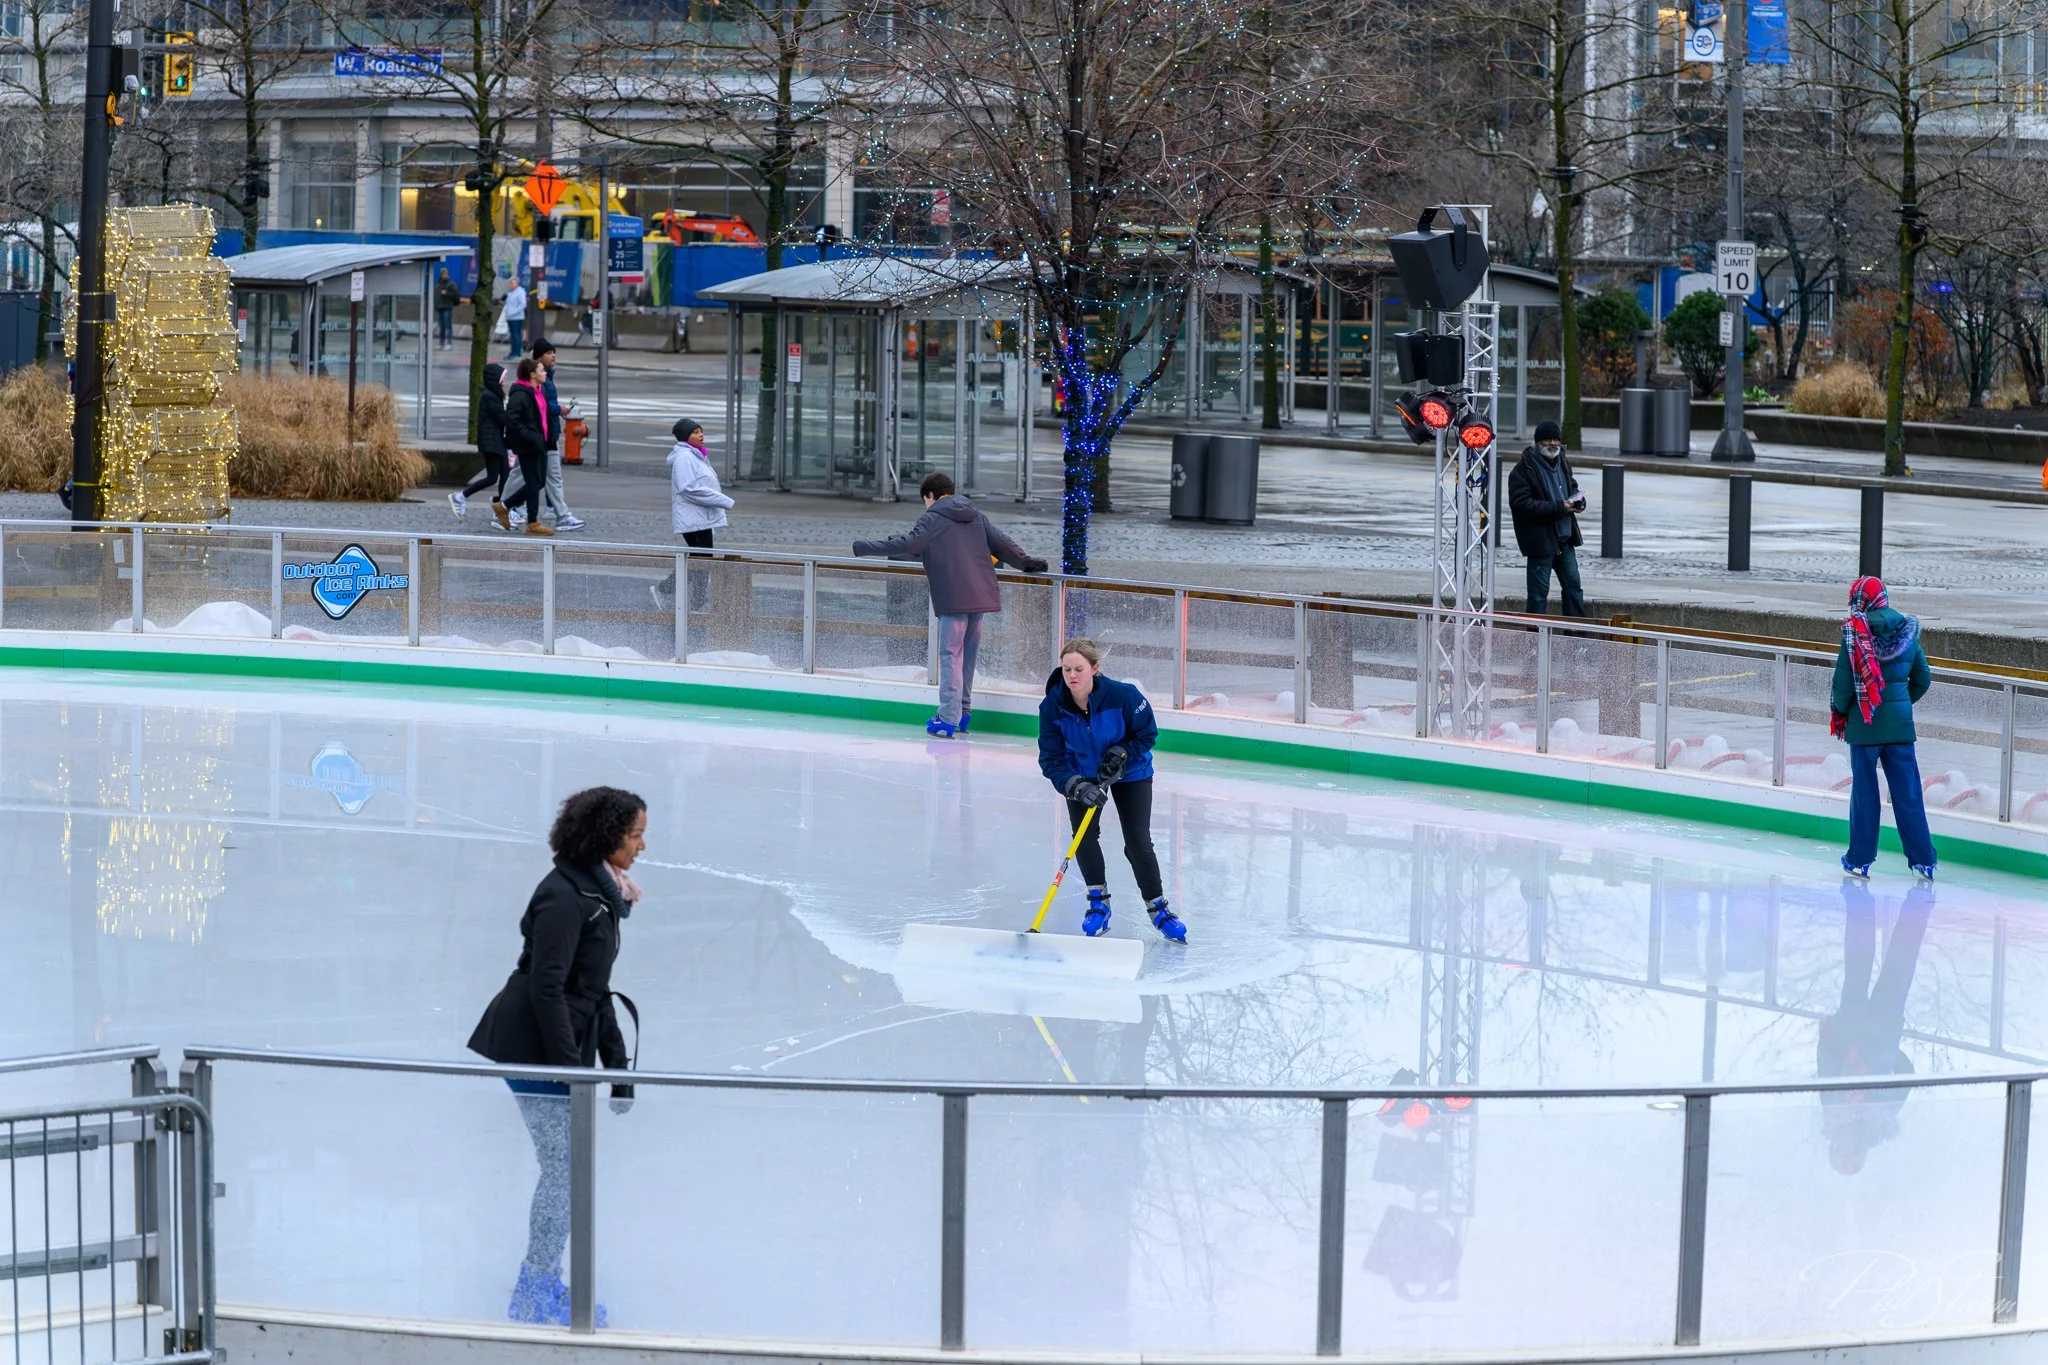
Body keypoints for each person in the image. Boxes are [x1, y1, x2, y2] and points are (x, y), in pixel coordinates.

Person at [466, 785, 646, 1325]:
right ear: (607, 835)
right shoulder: (566, 897)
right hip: (532, 1046)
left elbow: (594, 990)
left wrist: (617, 1070)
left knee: (567, 1169)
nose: (641, 846)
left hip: (557, 1045)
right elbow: (547, 990)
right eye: (635, 835)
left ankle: (542, 1280)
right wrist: (572, 1073)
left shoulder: (599, 893)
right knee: (565, 1169)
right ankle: (534, 1289)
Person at [852, 471, 1047, 737]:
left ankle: (946, 717)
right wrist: (1027, 563)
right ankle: (963, 712)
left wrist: (863, 547)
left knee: (951, 656)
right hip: (980, 597)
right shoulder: (976, 516)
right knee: (967, 656)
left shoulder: (932, 518)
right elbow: (1003, 544)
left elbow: (908, 544)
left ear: (930, 495)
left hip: (954, 598)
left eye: (925, 500)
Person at [1037, 638, 1186, 943]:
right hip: (1082, 774)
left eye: (1079, 669)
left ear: (1095, 668)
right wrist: (1075, 785)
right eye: (1066, 669)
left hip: (1132, 772)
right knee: (1084, 837)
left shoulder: (1124, 696)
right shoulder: (1052, 706)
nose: (1072, 676)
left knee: (1138, 841)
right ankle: (1098, 905)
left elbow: (1147, 733)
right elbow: (1050, 760)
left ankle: (1158, 908)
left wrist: (1122, 752)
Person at [1817, 878, 1932, 1175]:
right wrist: (1886, 1049)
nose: (1845, 1148)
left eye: (1841, 1153)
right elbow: (1905, 1076)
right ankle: (1900, 903)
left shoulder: (1837, 1116)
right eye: (1849, 1153)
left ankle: (1868, 903)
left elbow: (1826, 1069)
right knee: (1886, 962)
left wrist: (1885, 1049)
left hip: (1864, 1027)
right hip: (1870, 1027)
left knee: (1876, 962)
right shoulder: (1874, 1122)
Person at [1831, 576, 1936, 880]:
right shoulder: (1907, 632)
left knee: (1865, 796)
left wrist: (1843, 711)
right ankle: (1924, 860)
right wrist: (1899, 704)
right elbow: (1923, 679)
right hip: (1900, 728)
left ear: (1861, 600)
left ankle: (1859, 860)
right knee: (1908, 795)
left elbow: (1842, 686)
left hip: (1864, 725)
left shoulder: (1854, 633)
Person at [1507, 420, 1588, 618]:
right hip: (1541, 541)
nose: (1553, 443)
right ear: (1537, 443)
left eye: (1556, 440)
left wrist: (1578, 501)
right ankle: (1534, 635)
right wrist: (1559, 507)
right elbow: (1522, 505)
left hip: (1565, 538)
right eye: (1547, 440)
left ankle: (1576, 633)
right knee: (1538, 595)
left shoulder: (1563, 463)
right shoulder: (1523, 470)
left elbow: (1572, 487)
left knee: (1574, 587)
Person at [652, 419, 732, 609]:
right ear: (685, 436)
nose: (701, 435)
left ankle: (694, 600)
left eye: (701, 431)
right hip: (693, 519)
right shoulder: (685, 457)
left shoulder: (695, 455)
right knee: (702, 561)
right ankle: (669, 591)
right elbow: (688, 488)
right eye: (695, 432)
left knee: (701, 561)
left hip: (700, 517)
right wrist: (723, 500)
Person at [495, 357, 553, 537]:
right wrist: (532, 437)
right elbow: (512, 421)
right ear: (532, 374)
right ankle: (531, 521)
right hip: (528, 445)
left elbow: (543, 416)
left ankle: (506, 507)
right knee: (534, 483)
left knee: (539, 482)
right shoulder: (520, 394)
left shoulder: (540, 390)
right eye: (542, 370)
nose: (545, 373)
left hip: (540, 443)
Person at [531, 339, 583, 531]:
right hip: (542, 433)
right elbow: (539, 405)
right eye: (549, 353)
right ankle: (504, 506)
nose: (553, 356)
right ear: (539, 358)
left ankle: (560, 513)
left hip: (548, 432)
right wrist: (557, 409)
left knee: (550, 476)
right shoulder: (538, 379)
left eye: (554, 352)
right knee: (526, 475)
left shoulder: (547, 377)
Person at [451, 361, 509, 520]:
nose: (504, 380)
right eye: (502, 377)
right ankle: (461, 496)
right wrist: (517, 414)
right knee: (494, 478)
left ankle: (500, 505)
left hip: (495, 442)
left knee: (505, 475)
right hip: (492, 443)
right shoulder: (490, 397)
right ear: (495, 379)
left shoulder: (493, 395)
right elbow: (502, 418)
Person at [435, 268, 460, 350]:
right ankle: (441, 343)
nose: (444, 275)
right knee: (441, 327)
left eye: (445, 273)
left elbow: (456, 294)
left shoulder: (451, 284)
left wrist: (446, 293)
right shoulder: (438, 284)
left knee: (448, 326)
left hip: (447, 307)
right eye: (443, 274)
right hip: (440, 307)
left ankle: (449, 343)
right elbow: (436, 296)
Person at [502, 279, 528, 358]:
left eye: (514, 283)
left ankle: (517, 353)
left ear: (517, 283)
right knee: (512, 335)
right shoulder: (510, 292)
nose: (512, 285)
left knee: (516, 334)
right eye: (511, 283)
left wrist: (514, 312)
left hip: (517, 317)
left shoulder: (520, 292)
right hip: (510, 317)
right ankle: (512, 352)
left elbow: (523, 304)